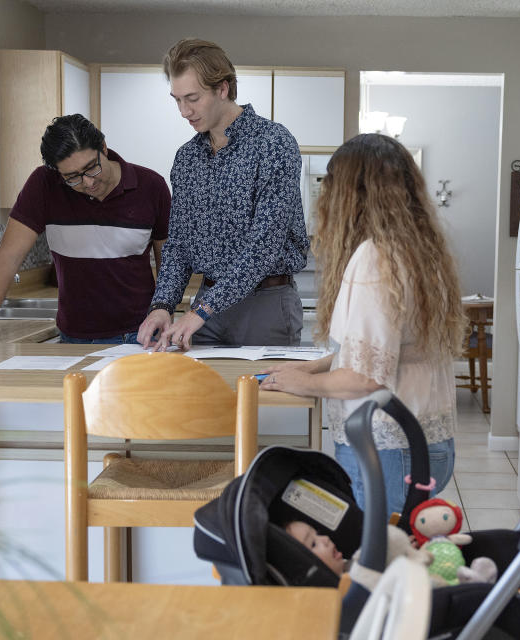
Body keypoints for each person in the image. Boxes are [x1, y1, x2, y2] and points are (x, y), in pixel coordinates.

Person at [260, 134, 466, 519]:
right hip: (426, 442)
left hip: (387, 448)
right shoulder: (422, 249)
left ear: (351, 194)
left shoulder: (375, 259)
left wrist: (300, 384)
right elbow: (389, 350)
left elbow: (367, 377)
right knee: (401, 555)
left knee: (379, 562)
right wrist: (313, 367)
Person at [137, 38, 309, 351]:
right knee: (200, 398)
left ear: (223, 89)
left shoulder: (273, 143)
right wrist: (162, 304)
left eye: (192, 98)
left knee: (265, 399)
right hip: (205, 307)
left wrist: (201, 311)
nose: (184, 111)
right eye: (176, 100)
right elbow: (178, 244)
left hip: (264, 305)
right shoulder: (187, 158)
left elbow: (265, 246)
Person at [0, 115, 171, 346]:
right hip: (73, 338)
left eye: (91, 168)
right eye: (72, 177)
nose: (88, 183)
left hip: (138, 335)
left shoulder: (151, 186)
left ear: (103, 147)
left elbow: (169, 264)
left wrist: (166, 313)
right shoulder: (44, 185)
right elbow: (8, 258)